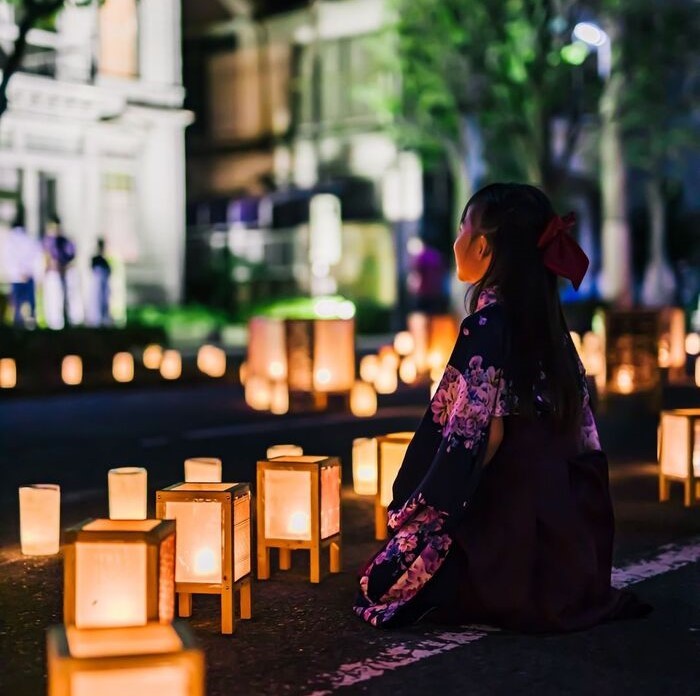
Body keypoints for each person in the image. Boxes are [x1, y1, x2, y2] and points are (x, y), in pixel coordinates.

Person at [353, 183, 650, 631]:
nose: (455, 243)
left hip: (514, 529)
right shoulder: (553, 328)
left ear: (483, 246)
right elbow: (585, 434)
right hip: (566, 536)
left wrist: (423, 510)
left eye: (461, 230)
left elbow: (479, 441)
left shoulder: (487, 327)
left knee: (382, 581)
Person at [6, 208, 42, 328]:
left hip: (16, 278)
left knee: (18, 309)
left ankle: (18, 334)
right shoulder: (30, 239)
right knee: (29, 311)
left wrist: (17, 271)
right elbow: (36, 257)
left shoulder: (9, 239)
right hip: (28, 277)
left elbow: (8, 258)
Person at [43, 215, 76, 329]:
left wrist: (63, 267)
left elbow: (71, 258)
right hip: (52, 274)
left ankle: (62, 322)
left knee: (62, 299)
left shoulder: (65, 242)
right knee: (52, 300)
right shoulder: (47, 241)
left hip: (63, 274)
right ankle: (53, 323)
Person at [88, 238, 111, 326]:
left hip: (104, 285)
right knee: (96, 301)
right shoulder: (95, 259)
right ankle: (96, 320)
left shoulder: (106, 260)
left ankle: (104, 320)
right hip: (97, 285)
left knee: (104, 301)